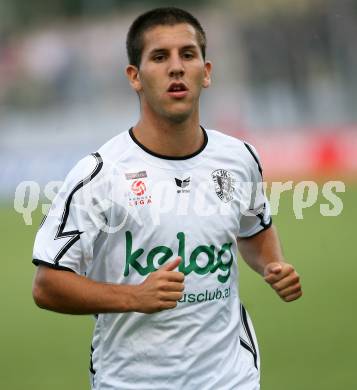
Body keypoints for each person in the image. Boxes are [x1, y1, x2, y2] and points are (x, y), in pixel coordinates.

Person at [32, 7, 302, 390]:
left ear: (205, 72)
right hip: (131, 381)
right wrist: (134, 296)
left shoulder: (240, 158)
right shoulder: (100, 174)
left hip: (230, 378)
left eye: (187, 55)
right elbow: (47, 285)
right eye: (160, 57)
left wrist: (273, 265)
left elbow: (254, 230)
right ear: (135, 77)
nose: (176, 68)